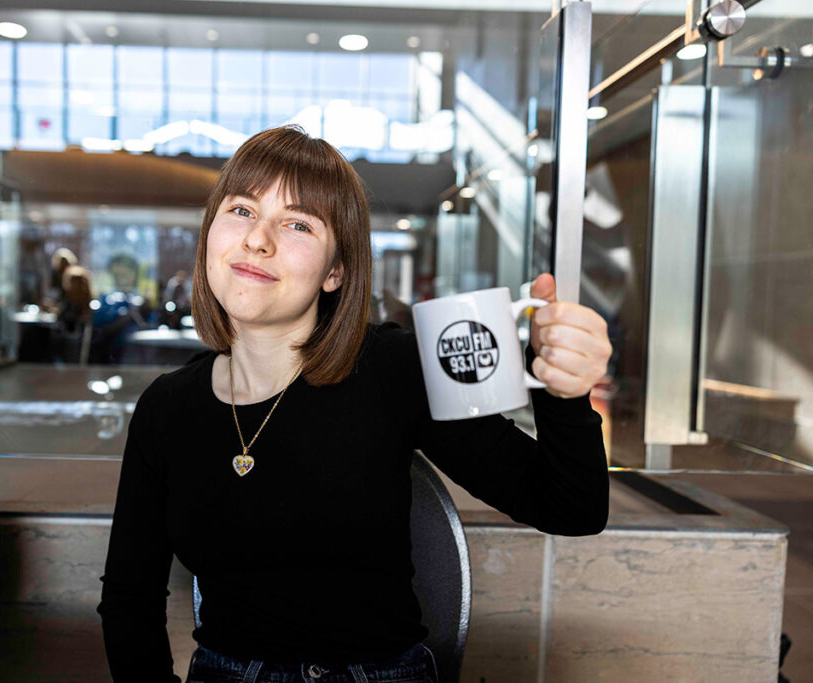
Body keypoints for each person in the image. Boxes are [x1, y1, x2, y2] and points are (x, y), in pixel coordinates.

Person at [97, 125, 611, 683]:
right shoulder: (166, 408)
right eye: (242, 210)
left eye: (297, 224)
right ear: (210, 234)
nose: (257, 240)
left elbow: (568, 508)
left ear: (336, 271)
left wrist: (565, 394)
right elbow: (130, 598)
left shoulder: (396, 368)